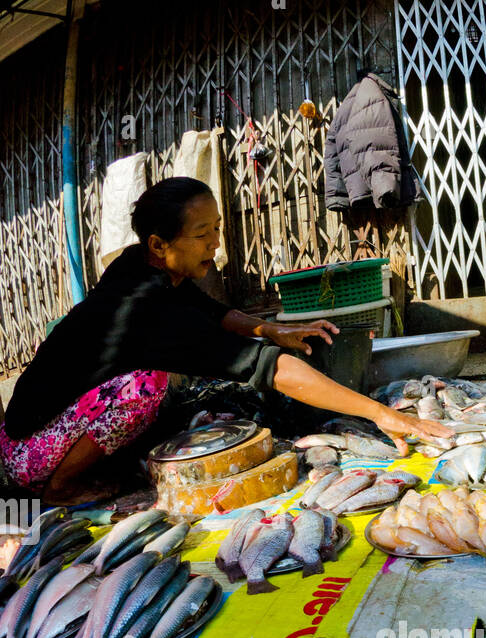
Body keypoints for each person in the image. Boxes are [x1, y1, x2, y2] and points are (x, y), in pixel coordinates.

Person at [0, 177, 451, 501]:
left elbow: (212, 312)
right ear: (159, 244)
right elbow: (266, 368)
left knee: (158, 390)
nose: (215, 243)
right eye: (203, 234)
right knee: (143, 387)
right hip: (29, 453)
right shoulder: (149, 310)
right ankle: (61, 487)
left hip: (38, 425)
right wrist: (384, 415)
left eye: (216, 227)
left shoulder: (140, 266)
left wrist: (271, 326)